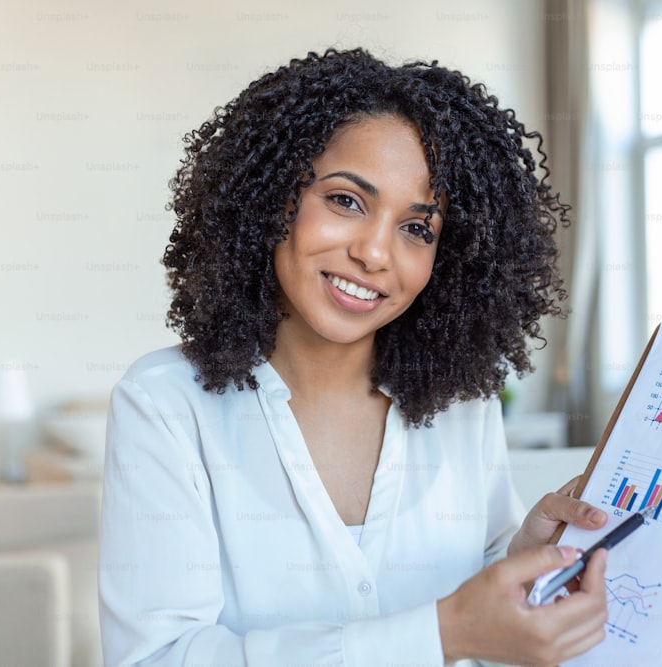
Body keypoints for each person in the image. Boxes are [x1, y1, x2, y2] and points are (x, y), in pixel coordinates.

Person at [99, 47, 610, 666]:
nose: (374, 253)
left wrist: (524, 560)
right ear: (271, 199)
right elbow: (158, 658)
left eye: (418, 229)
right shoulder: (165, 406)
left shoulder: (460, 404)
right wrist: (442, 635)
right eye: (346, 200)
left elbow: (475, 592)